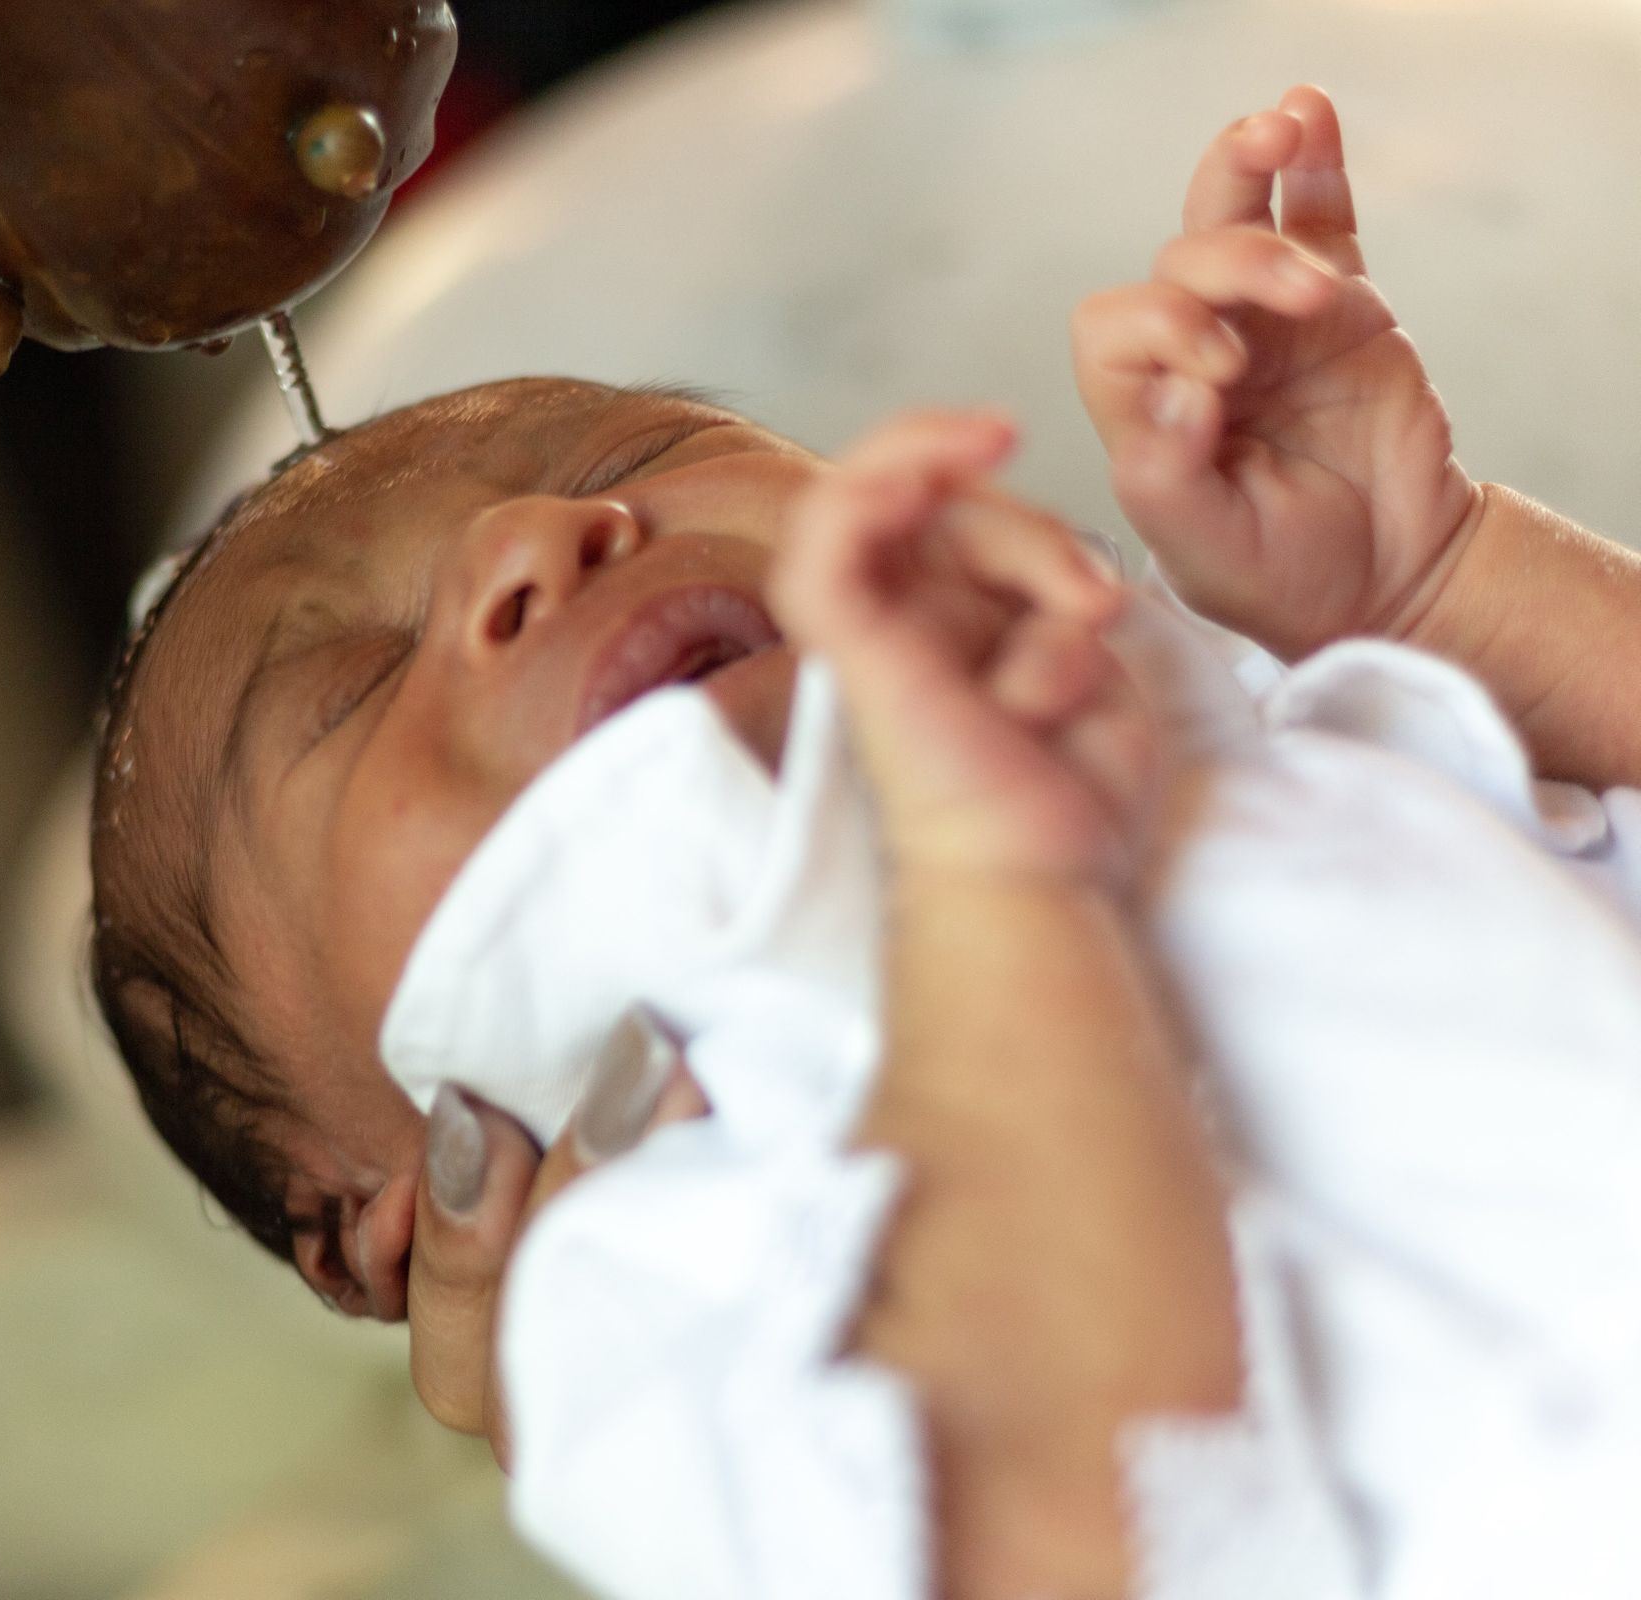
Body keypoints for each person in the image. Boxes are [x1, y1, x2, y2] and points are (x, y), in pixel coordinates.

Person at [88, 85, 1641, 1596]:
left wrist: (1438, 576)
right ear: (382, 1221)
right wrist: (997, 893)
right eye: (352, 688)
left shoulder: (1229, 741)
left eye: (624, 462)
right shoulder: (660, 1294)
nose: (541, 537)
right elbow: (1094, 1531)